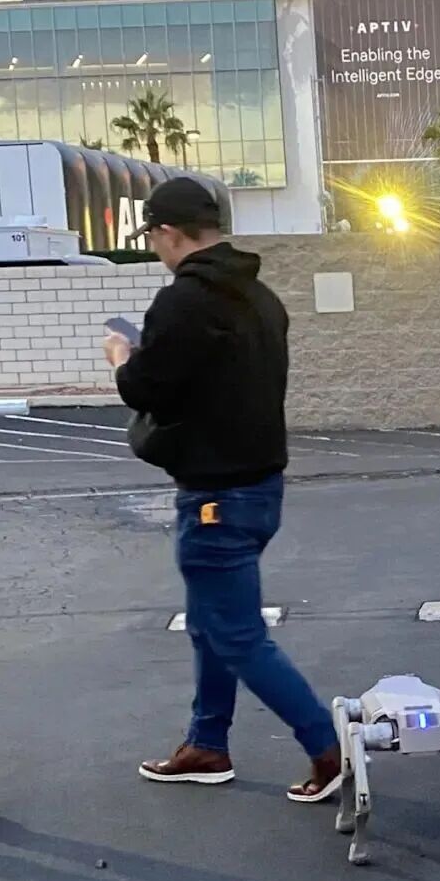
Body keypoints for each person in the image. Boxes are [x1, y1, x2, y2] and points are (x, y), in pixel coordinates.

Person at [102, 176, 341, 802]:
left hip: (214, 499)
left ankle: (329, 748)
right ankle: (208, 743)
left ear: (168, 232)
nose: (154, 247)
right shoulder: (261, 298)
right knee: (212, 622)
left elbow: (146, 391)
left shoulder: (182, 303)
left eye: (153, 235)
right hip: (261, 488)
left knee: (234, 633)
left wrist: (123, 358)